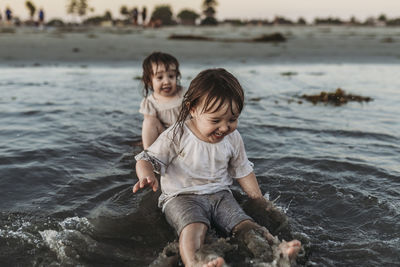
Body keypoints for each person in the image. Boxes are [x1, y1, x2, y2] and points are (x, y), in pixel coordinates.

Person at [133, 68, 301, 266]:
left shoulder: (233, 138)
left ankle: (277, 251)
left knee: (245, 224)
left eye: (232, 119)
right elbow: (146, 158)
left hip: (220, 195)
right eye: (215, 120)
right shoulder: (177, 134)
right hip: (181, 197)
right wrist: (146, 175)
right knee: (193, 227)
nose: (224, 128)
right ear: (192, 109)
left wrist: (258, 199)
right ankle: (195, 262)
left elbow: (242, 169)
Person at [139, 51, 184, 149]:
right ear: (149, 81)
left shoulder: (185, 94)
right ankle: (149, 155)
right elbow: (150, 127)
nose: (167, 81)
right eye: (159, 77)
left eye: (171, 76)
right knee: (149, 121)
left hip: (187, 135)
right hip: (165, 138)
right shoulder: (150, 103)